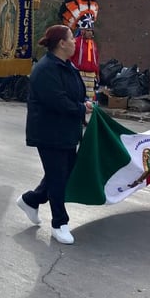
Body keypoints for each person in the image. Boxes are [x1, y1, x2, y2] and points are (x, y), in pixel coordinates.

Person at [16, 25, 92, 245]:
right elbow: (56, 100)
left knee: (62, 173)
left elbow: (74, 93)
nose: (75, 42)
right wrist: (80, 108)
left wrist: (83, 104)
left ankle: (31, 200)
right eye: (72, 39)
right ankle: (59, 223)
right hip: (49, 132)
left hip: (66, 130)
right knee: (58, 177)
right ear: (61, 43)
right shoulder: (46, 69)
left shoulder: (67, 66)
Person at [60, 0, 100, 101]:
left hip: (91, 77)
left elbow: (96, 59)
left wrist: (97, 74)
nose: (90, 33)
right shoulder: (75, 42)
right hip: (78, 75)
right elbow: (69, 58)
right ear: (82, 31)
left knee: (89, 103)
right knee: (78, 99)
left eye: (91, 31)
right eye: (88, 30)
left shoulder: (93, 44)